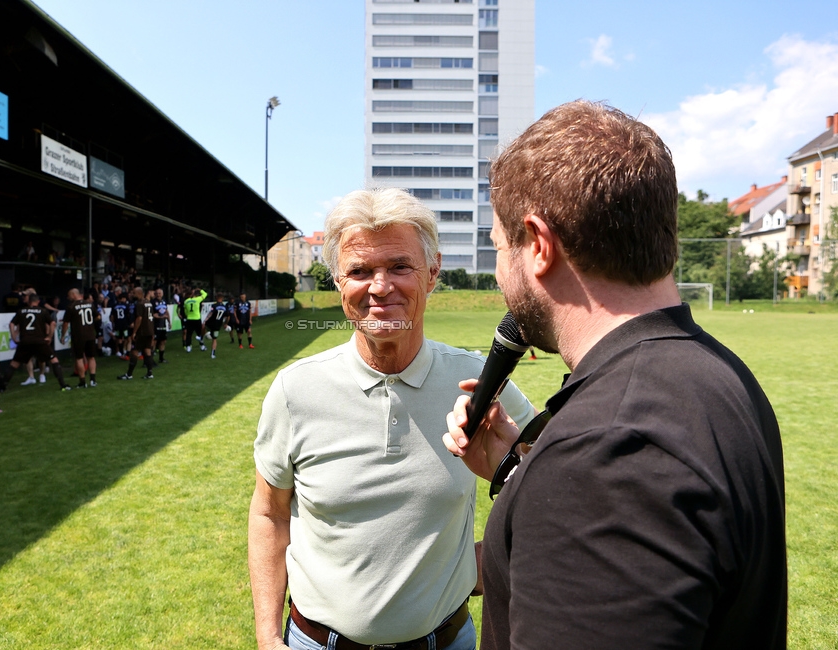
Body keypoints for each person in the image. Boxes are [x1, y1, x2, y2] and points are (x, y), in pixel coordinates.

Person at [442, 101, 787, 649]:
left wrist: (563, 474)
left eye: (499, 248)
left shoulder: (606, 450)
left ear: (536, 244)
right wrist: (517, 472)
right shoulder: (718, 373)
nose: (500, 274)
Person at [248, 188, 535, 650]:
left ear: (433, 273)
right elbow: (269, 512)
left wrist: (489, 559)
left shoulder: (478, 381)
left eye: (400, 266)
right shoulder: (295, 390)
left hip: (446, 641)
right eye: (359, 271)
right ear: (339, 283)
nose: (380, 287)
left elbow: (558, 475)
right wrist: (266, 635)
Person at [0, 293, 71, 392]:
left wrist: (13, 337)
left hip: (25, 341)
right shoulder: (43, 311)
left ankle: (2, 386)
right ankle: (63, 385)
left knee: (14, 363)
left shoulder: (21, 311)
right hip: (39, 341)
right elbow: (53, 323)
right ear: (38, 302)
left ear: (29, 302)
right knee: (54, 361)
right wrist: (49, 337)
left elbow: (12, 323)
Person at [60, 288, 98, 388]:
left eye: (69, 295)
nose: (68, 298)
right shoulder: (90, 304)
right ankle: (93, 380)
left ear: (74, 294)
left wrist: (63, 335)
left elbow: (65, 323)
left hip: (78, 336)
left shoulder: (71, 307)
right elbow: (98, 317)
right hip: (90, 334)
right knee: (91, 357)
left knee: (79, 358)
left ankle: (82, 381)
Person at [118, 286, 155, 380]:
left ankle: (129, 374)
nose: (132, 294)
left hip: (141, 331)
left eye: (134, 293)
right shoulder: (148, 303)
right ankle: (150, 373)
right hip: (149, 330)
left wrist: (134, 332)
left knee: (134, 351)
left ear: (139, 293)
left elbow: (139, 318)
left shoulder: (139, 303)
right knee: (147, 350)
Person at [203, 293, 229, 359]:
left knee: (203, 326)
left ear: (217, 298)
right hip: (218, 324)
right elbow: (228, 316)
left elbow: (211, 313)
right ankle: (213, 354)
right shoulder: (225, 307)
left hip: (211, 322)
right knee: (214, 339)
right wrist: (225, 323)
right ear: (222, 298)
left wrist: (205, 320)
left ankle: (202, 338)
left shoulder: (214, 305)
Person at [181, 287, 206, 352]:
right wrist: (200, 290)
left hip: (189, 319)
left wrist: (188, 315)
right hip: (197, 319)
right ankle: (202, 346)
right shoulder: (197, 299)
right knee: (199, 333)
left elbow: (185, 311)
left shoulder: (186, 301)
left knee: (189, 333)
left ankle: (188, 347)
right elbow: (205, 294)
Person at [152, 287, 171, 363]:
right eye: (157, 293)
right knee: (154, 342)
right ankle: (151, 360)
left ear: (162, 294)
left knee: (163, 341)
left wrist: (169, 322)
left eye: (160, 293)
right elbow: (152, 314)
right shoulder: (153, 302)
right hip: (155, 325)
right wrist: (161, 316)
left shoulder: (164, 301)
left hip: (163, 324)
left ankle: (161, 358)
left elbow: (166, 312)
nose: (158, 294)